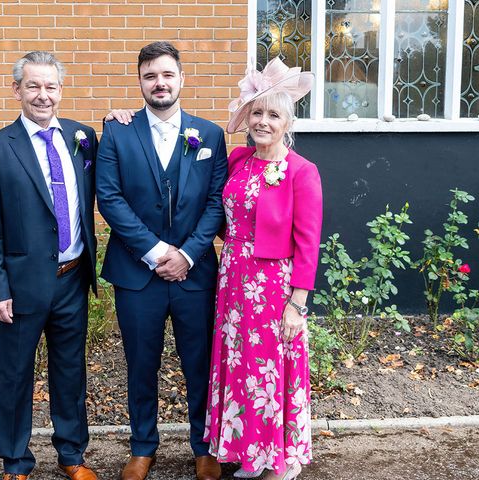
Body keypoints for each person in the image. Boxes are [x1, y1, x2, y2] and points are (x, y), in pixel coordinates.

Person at [96, 41, 227, 480]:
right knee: (141, 361)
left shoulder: (209, 135)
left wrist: (187, 253)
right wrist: (156, 253)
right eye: (150, 76)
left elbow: (215, 202)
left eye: (167, 74)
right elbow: (109, 198)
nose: (160, 83)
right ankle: (142, 446)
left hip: (196, 273)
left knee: (200, 363)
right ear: (140, 82)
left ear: (181, 79)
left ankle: (204, 445)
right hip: (137, 273)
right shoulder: (117, 131)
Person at [0, 51, 99, 480]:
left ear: (61, 90)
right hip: (21, 285)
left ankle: (72, 455)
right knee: (14, 376)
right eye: (33, 86)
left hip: (72, 278)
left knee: (70, 371)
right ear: (17, 90)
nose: (42, 95)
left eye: (50, 86)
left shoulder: (83, 138)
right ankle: (15, 461)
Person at [204, 58, 322, 480]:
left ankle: (280, 458)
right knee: (240, 366)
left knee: (270, 368)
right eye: (257, 112)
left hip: (274, 287)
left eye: (273, 114)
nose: (263, 121)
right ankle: (250, 452)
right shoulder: (238, 160)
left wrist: (298, 304)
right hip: (233, 279)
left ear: (287, 121)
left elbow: (308, 242)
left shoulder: (301, 172)